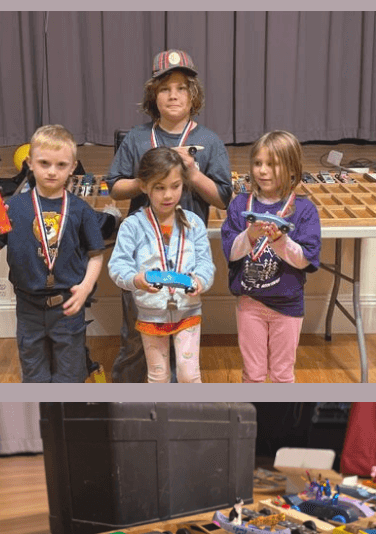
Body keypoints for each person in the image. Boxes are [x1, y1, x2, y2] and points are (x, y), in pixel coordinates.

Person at [106, 50, 232, 382]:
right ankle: (130, 399)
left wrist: (190, 173)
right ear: (153, 95)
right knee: (138, 336)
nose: (173, 95)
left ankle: (176, 399)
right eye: (164, 88)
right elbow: (115, 188)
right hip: (144, 255)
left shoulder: (209, 141)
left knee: (183, 341)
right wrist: (148, 179)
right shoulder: (136, 138)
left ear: (194, 95)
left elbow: (223, 198)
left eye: (181, 87)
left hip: (186, 257)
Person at [0, 124, 104, 382]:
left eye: (61, 165)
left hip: (67, 306)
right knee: (34, 377)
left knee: (70, 378)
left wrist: (85, 288)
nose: (51, 171)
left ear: (73, 167)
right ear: (30, 163)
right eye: (44, 163)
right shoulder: (10, 207)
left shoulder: (81, 210)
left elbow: (96, 255)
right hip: (28, 307)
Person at [220, 130, 321, 383]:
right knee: (252, 375)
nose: (262, 171)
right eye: (258, 163)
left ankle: (280, 421)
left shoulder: (304, 209)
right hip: (250, 302)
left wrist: (280, 240)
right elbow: (231, 253)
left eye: (272, 165)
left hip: (288, 305)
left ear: (291, 169)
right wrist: (250, 236)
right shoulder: (239, 204)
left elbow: (305, 260)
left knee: (282, 375)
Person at [107, 147, 214, 382]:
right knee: (158, 376)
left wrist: (201, 280)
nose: (168, 195)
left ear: (183, 185)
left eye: (175, 186)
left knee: (188, 375)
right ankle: (161, 416)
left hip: (188, 310)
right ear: (144, 186)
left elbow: (206, 262)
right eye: (159, 187)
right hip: (150, 314)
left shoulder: (193, 222)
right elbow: (118, 266)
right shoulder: (132, 226)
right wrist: (136, 280)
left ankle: (192, 416)